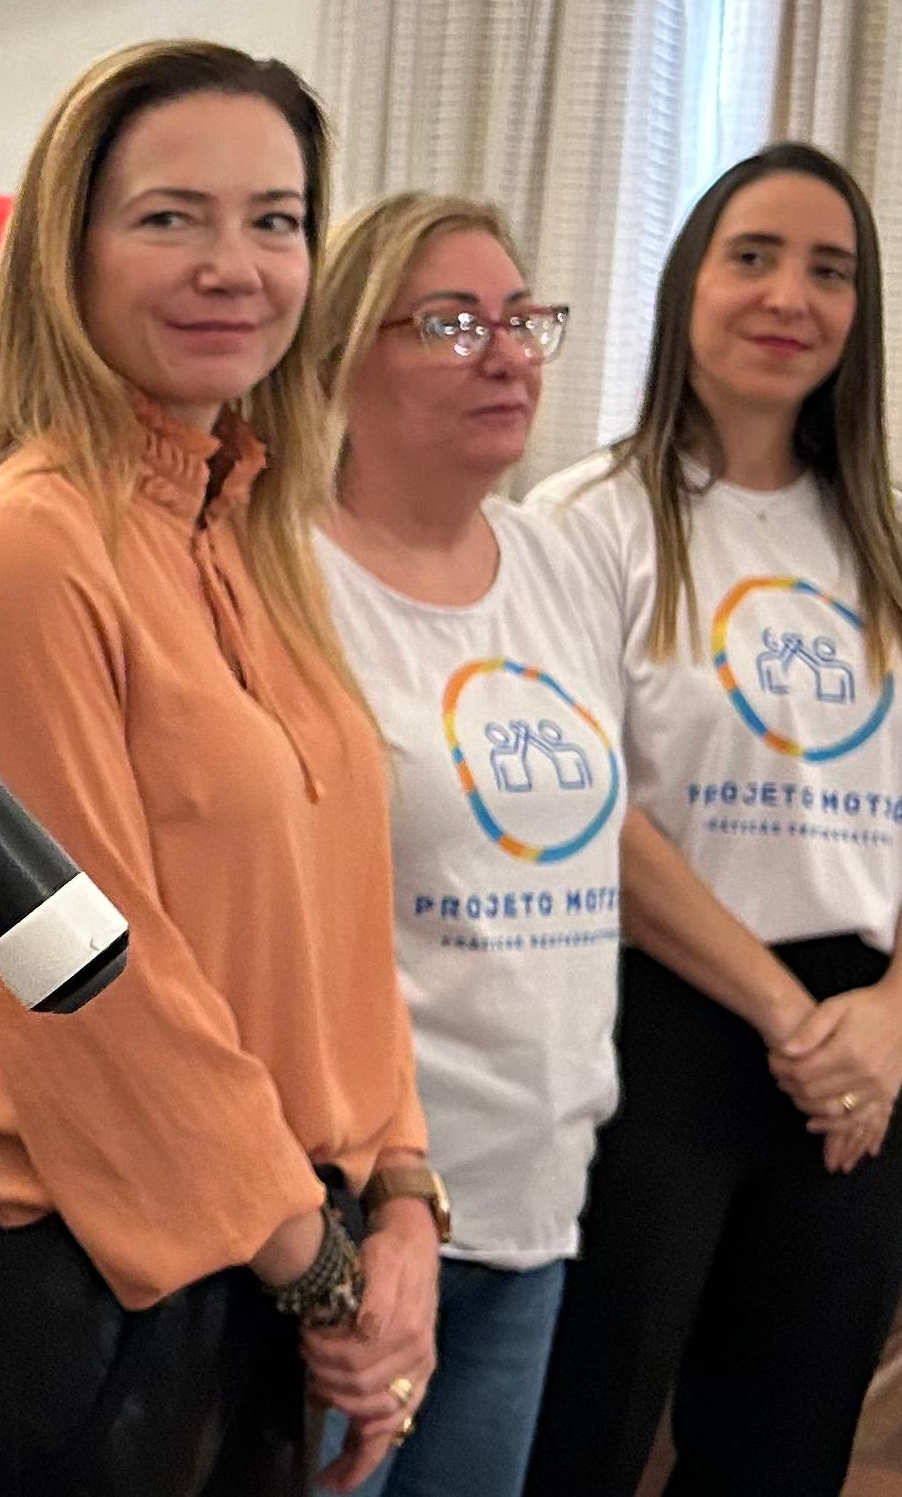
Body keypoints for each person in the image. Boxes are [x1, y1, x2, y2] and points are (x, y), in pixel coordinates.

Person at [0, 41, 440, 1497]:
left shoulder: (253, 528)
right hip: (82, 1306)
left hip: (270, 1247)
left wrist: (401, 1191)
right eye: (171, 216)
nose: (233, 265)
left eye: (275, 219)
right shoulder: (24, 547)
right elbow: (93, 985)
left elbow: (343, 925)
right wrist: (326, 1272)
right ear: (72, 251)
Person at [518, 144, 902, 1497]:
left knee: (785, 1443)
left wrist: (900, 1015)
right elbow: (584, 806)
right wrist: (792, 1021)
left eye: (830, 270)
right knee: (584, 1427)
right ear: (688, 282)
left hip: (873, 1037)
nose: (790, 295)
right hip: (657, 1019)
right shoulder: (585, 522)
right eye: (753, 256)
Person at [294, 195, 627, 1497]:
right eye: (450, 323)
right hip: (355, 1209)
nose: (506, 354)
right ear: (341, 356)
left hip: (534, 1184)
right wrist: (376, 1200)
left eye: (523, 320)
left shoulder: (559, 562)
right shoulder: (288, 577)